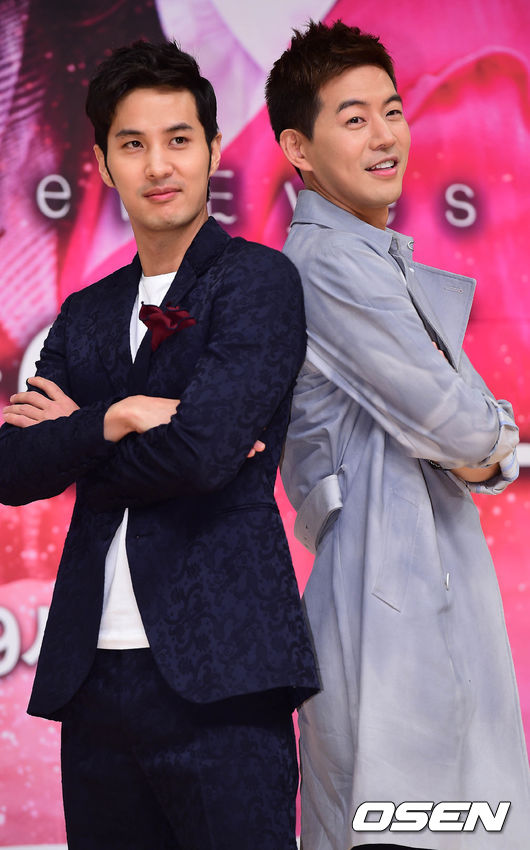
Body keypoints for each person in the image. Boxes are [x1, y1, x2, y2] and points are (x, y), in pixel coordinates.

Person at [0, 40, 319, 850]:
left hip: (225, 674)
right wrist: (114, 418)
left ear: (212, 148)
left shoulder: (257, 281)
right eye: (133, 144)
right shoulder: (84, 311)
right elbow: (12, 468)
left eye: (178, 139)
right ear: (103, 164)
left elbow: (204, 454)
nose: (158, 164)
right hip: (93, 679)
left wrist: (77, 440)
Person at [265, 19, 530, 850]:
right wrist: (490, 437)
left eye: (391, 110)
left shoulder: (377, 256)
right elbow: (466, 429)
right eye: (354, 119)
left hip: (419, 582)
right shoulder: (328, 263)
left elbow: (480, 449)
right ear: (299, 148)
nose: (385, 137)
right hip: (381, 597)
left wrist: (484, 443)